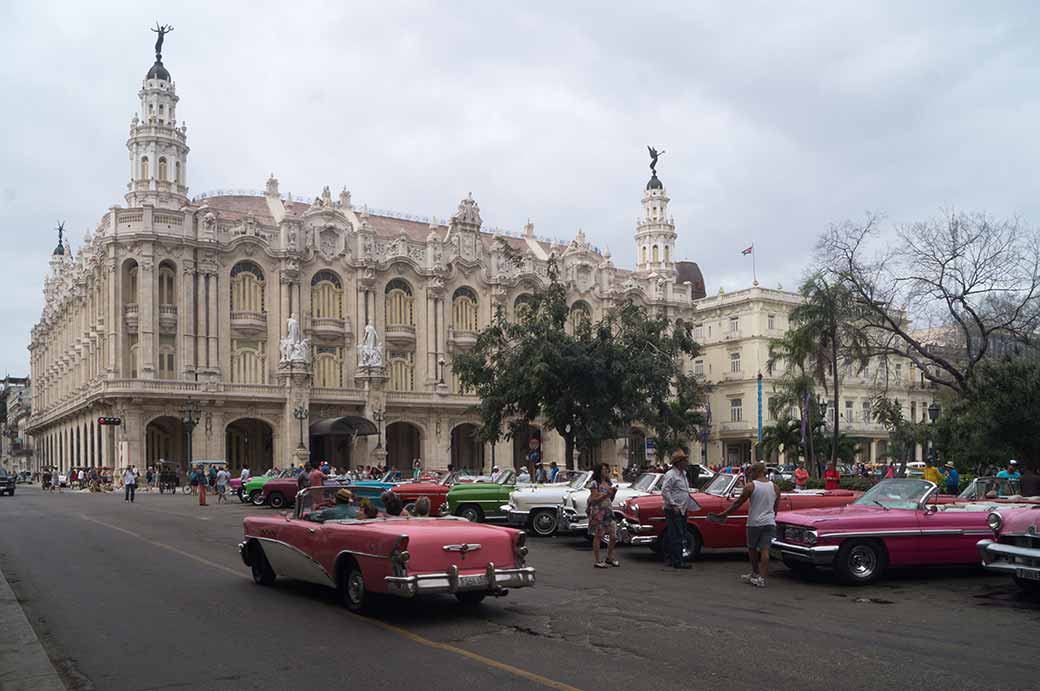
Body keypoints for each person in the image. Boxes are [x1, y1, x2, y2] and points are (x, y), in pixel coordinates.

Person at [709, 462, 780, 588]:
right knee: (765, 550)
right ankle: (761, 578)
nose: (750, 473)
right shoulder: (775, 487)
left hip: (754, 522)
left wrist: (724, 514)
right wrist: (771, 517)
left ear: (757, 472)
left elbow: (737, 504)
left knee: (752, 549)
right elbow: (775, 507)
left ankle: (755, 573)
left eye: (752, 471)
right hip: (769, 522)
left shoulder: (750, 487)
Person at [661, 449, 693, 569]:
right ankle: (677, 561)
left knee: (678, 533)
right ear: (679, 462)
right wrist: (673, 504)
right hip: (674, 509)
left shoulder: (682, 474)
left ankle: (672, 558)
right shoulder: (671, 475)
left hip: (682, 508)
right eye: (685, 460)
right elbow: (665, 491)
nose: (687, 462)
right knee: (677, 534)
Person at [587, 463, 619, 568]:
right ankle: (597, 560)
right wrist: (606, 494)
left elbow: (611, 499)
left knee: (613, 536)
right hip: (598, 512)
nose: (606, 471)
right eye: (604, 469)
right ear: (599, 471)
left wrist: (613, 493)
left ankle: (609, 557)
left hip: (608, 511)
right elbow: (594, 499)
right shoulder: (594, 483)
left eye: (607, 469)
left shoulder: (609, 482)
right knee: (598, 535)